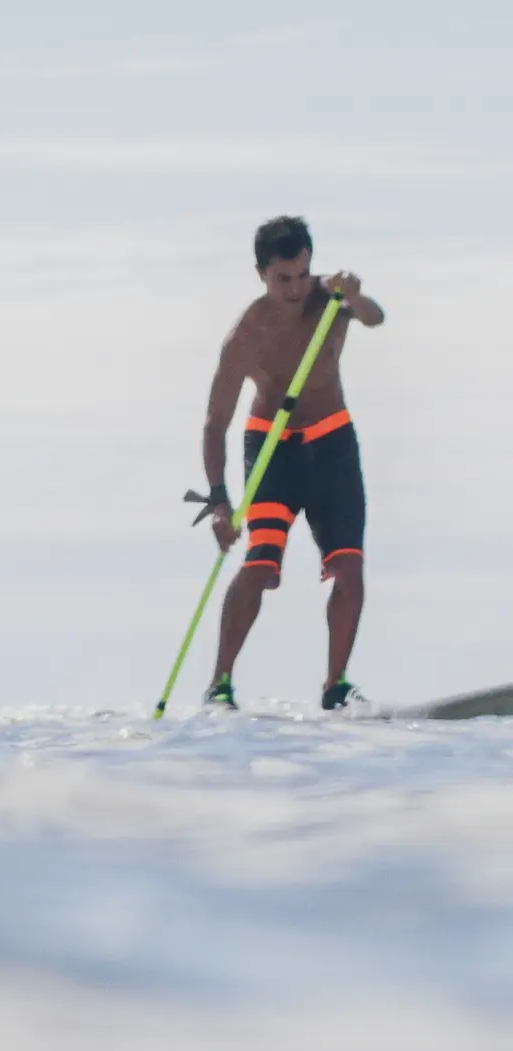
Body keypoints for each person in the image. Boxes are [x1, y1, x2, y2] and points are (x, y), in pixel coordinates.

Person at [194, 216, 385, 711]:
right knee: (260, 564)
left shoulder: (330, 300)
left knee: (349, 569)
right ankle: (220, 684)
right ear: (261, 273)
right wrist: (219, 501)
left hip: (332, 444)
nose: (296, 288)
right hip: (273, 449)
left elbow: (373, 317)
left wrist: (356, 295)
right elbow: (215, 424)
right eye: (284, 279)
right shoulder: (246, 337)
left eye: (303, 275)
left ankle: (336, 686)